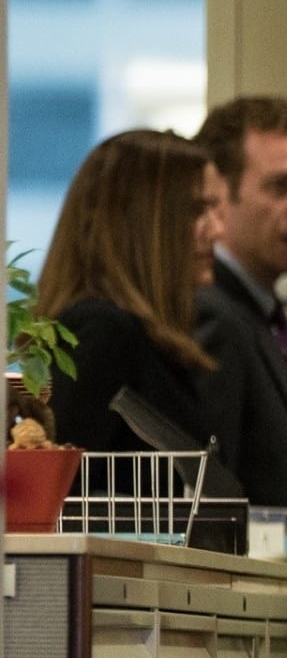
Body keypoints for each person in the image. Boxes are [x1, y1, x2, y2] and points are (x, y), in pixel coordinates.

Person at [41, 129, 225, 454]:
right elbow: (68, 478)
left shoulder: (140, 336)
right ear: (142, 223)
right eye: (196, 210)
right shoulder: (104, 332)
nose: (217, 230)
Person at [193, 95, 287, 523]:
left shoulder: (260, 310)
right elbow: (214, 497)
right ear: (219, 196)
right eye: (281, 187)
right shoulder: (213, 315)